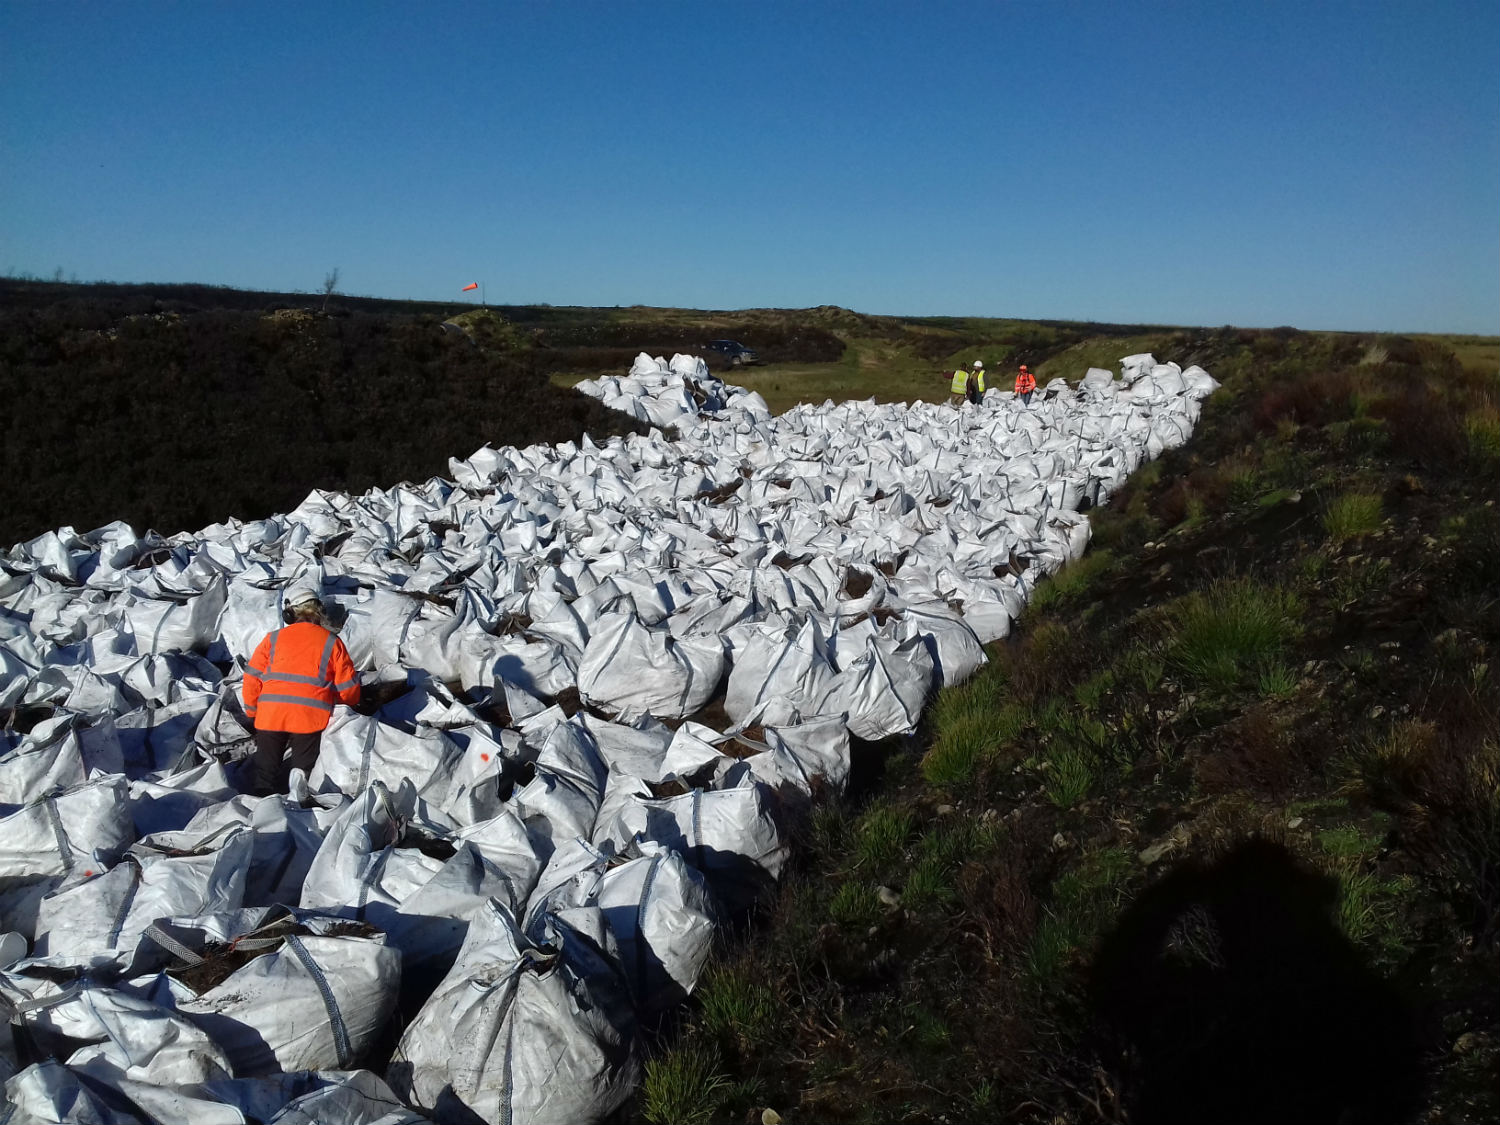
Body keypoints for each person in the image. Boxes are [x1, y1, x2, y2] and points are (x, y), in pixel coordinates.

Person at [242, 586, 360, 795]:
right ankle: (299, 814)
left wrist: (252, 710)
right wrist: (339, 704)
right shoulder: (332, 642)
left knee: (264, 774)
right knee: (302, 777)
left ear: (290, 613)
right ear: (319, 611)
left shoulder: (273, 638)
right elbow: (348, 690)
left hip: (270, 716)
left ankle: (261, 814)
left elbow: (251, 677)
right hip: (309, 719)